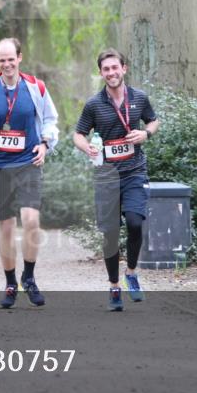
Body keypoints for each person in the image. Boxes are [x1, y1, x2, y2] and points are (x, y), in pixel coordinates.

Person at [0, 37, 59, 308]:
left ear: (20, 58)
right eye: (1, 60)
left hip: (28, 162)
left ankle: (29, 277)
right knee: (6, 227)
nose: (6, 64)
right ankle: (9, 283)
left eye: (10, 59)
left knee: (31, 221)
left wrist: (45, 143)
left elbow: (51, 120)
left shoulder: (35, 87)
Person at [73, 49, 160, 311]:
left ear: (124, 68)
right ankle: (114, 287)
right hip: (107, 176)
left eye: (115, 67)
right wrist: (86, 147)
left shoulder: (139, 98)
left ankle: (131, 273)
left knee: (134, 223)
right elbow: (78, 134)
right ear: (101, 73)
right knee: (110, 234)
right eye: (106, 69)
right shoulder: (94, 104)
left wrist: (146, 134)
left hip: (134, 170)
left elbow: (154, 121)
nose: (111, 73)